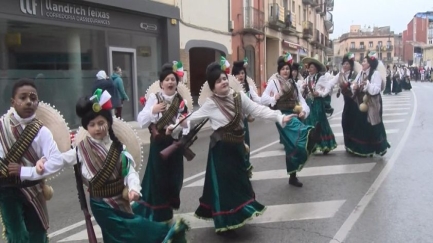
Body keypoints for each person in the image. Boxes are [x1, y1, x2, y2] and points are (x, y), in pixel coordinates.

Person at [32, 89, 189, 243]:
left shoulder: (119, 148)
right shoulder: (80, 150)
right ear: (87, 127)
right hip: (100, 204)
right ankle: (164, 233)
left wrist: (133, 188)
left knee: (115, 237)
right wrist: (43, 162)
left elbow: (130, 172)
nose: (98, 128)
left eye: (101, 123)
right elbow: (59, 161)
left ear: (108, 123)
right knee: (129, 227)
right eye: (92, 124)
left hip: (121, 199)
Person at [170, 61, 294, 234]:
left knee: (240, 183)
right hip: (221, 150)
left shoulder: (239, 97)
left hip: (237, 148)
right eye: (219, 81)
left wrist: (278, 117)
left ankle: (239, 213)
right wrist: (174, 127)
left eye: (224, 78)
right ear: (213, 88)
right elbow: (191, 119)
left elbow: (257, 109)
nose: (224, 82)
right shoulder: (210, 103)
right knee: (225, 187)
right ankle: (225, 219)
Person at [0, 78, 65, 243]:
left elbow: (56, 161)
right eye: (23, 98)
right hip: (7, 189)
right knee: (17, 235)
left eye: (33, 98)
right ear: (13, 102)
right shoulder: (2, 127)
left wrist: (26, 171)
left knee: (38, 233)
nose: (29, 102)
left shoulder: (41, 131)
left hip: (33, 187)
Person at [133, 61, 193, 223]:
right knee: (158, 179)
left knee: (174, 178)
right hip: (159, 145)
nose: (170, 82)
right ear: (161, 83)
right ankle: (160, 215)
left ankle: (168, 208)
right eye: (167, 79)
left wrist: (181, 125)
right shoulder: (154, 98)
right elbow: (141, 121)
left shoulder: (182, 102)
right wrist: (153, 110)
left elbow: (187, 126)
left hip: (174, 146)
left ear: (177, 83)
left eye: (173, 79)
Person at [261, 53, 321, 187]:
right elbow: (262, 99)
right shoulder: (274, 82)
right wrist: (273, 98)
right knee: (298, 131)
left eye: (287, 69)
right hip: (281, 115)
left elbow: (302, 101)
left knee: (290, 147)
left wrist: (304, 111)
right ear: (279, 70)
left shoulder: (294, 83)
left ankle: (293, 176)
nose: (286, 71)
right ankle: (310, 133)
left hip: (293, 113)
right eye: (283, 69)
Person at [347, 51, 390, 156]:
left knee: (374, 124)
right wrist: (355, 87)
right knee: (362, 124)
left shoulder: (375, 74)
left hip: (373, 103)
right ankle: (364, 148)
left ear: (370, 64)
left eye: (364, 61)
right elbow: (354, 84)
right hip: (362, 103)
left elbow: (376, 89)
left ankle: (380, 147)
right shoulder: (361, 73)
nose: (362, 63)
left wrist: (367, 85)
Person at [300, 55, 337, 154]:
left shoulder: (321, 78)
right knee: (309, 123)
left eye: (312, 67)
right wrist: (303, 88)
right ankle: (311, 145)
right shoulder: (307, 78)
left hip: (317, 103)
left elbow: (327, 89)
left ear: (316, 68)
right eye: (309, 67)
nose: (309, 69)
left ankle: (325, 144)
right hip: (309, 103)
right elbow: (302, 90)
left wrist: (319, 93)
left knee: (320, 123)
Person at [231, 58, 260, 178]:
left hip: (244, 121)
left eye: (242, 73)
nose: (240, 76)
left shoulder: (249, 88)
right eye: (237, 73)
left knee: (246, 145)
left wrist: (272, 99)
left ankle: (245, 168)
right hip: (232, 122)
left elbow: (258, 100)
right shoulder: (230, 89)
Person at [328, 52, 361, 147]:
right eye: (344, 64)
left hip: (355, 102)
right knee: (345, 122)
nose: (345, 65)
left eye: (348, 64)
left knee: (354, 123)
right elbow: (332, 82)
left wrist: (350, 85)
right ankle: (348, 143)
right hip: (347, 103)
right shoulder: (340, 74)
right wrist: (323, 88)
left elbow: (355, 86)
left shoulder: (355, 75)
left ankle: (355, 143)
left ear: (351, 65)